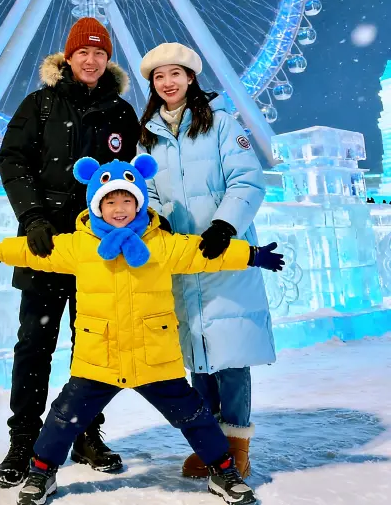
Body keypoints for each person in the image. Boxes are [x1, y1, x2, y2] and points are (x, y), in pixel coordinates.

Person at [0, 154, 284, 505]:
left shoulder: (161, 243)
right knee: (63, 418)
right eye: (110, 201)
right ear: (96, 205)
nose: (119, 209)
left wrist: (253, 254)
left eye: (127, 200)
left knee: (195, 416)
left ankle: (223, 470)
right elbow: (39, 252)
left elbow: (204, 253)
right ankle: (42, 471)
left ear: (139, 203)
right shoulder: (79, 244)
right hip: (99, 357)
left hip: (155, 356)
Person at [0, 17, 140, 487]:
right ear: (69, 56)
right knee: (34, 344)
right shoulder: (39, 105)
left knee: (94, 346)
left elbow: (135, 177)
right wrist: (33, 216)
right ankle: (23, 440)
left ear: (107, 60)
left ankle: (85, 433)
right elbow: (13, 159)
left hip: (101, 249)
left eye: (100, 53)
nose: (92, 60)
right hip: (48, 244)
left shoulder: (121, 112)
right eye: (84, 52)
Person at [138, 42, 275, 479]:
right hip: (181, 258)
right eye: (159, 78)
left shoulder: (220, 124)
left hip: (225, 252)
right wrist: (155, 222)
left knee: (231, 356)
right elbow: (150, 193)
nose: (168, 83)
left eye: (175, 74)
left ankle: (237, 446)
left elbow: (247, 180)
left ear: (191, 78)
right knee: (197, 356)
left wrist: (224, 226)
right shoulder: (148, 136)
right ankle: (208, 444)